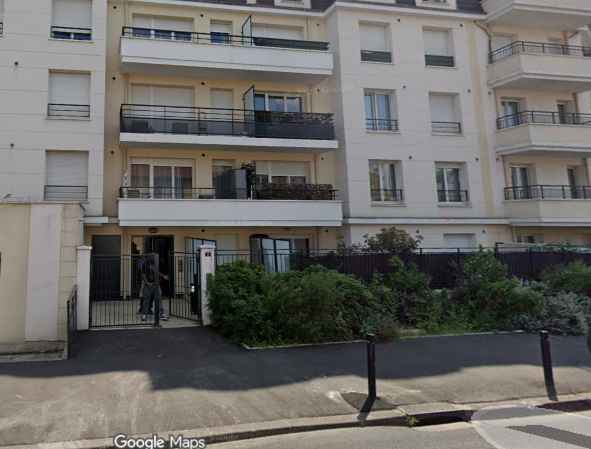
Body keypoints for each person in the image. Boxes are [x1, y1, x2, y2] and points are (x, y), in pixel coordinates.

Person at [140, 253, 169, 322]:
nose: (153, 257)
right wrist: (147, 283)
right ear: (149, 256)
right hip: (148, 284)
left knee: (159, 298)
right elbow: (143, 274)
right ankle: (144, 313)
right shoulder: (145, 263)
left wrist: (163, 276)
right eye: (152, 256)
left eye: (154, 256)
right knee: (146, 299)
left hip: (156, 284)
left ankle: (161, 313)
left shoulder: (155, 263)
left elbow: (156, 271)